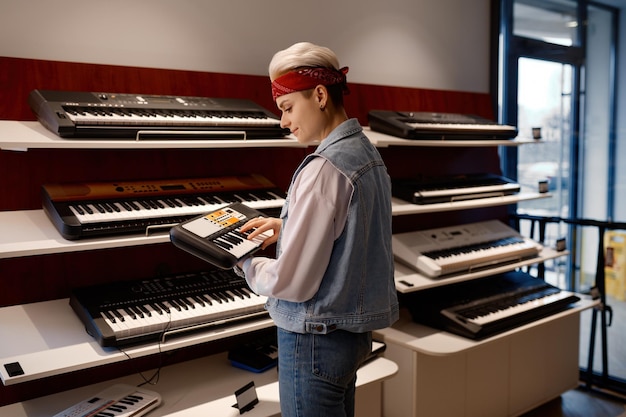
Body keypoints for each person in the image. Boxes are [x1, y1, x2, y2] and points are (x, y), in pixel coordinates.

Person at [235, 41, 399, 417]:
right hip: (350, 339)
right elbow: (352, 229)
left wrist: (242, 261)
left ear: (320, 95)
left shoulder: (324, 168)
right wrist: (287, 226)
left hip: (314, 341)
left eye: (288, 107)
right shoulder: (367, 154)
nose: (283, 121)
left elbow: (293, 283)